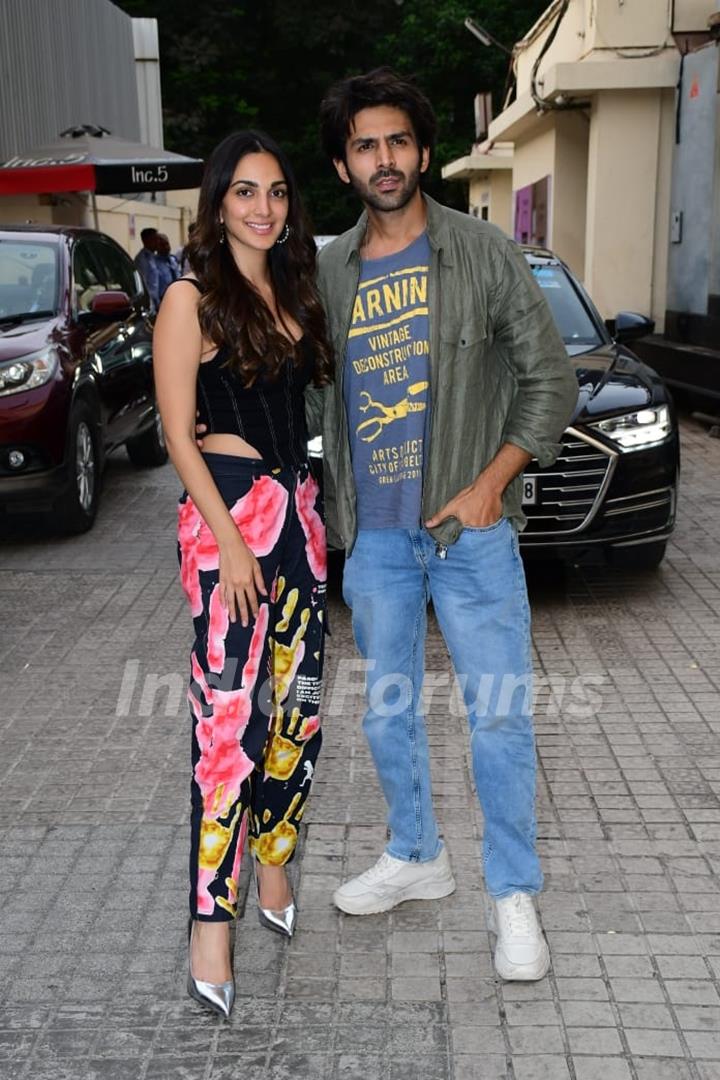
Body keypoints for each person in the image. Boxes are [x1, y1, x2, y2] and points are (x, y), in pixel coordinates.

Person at [311, 68, 578, 981]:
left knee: (497, 716)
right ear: (344, 165)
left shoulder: (483, 253)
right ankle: (417, 856)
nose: (383, 160)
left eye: (396, 141)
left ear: (423, 152)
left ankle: (513, 897)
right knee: (388, 714)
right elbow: (305, 385)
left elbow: (552, 380)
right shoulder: (329, 270)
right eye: (363, 145)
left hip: (470, 533)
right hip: (377, 535)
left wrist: (493, 481)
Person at [153, 129, 332, 1019]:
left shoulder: (295, 289)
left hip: (299, 519)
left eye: (276, 192)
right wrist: (226, 539)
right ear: (218, 201)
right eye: (245, 192)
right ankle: (207, 923)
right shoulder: (191, 298)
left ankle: (274, 862)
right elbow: (176, 434)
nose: (264, 207)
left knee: (297, 711)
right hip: (227, 519)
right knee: (226, 723)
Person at [134, 226, 160, 310]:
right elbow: (143, 283)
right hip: (150, 305)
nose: (157, 242)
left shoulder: (153, 257)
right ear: (145, 241)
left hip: (157, 301)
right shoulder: (142, 259)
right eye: (154, 239)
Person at [155, 232, 180, 301]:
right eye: (162, 245)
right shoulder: (154, 264)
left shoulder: (173, 260)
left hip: (178, 296)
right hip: (164, 299)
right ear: (156, 247)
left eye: (167, 244)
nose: (166, 247)